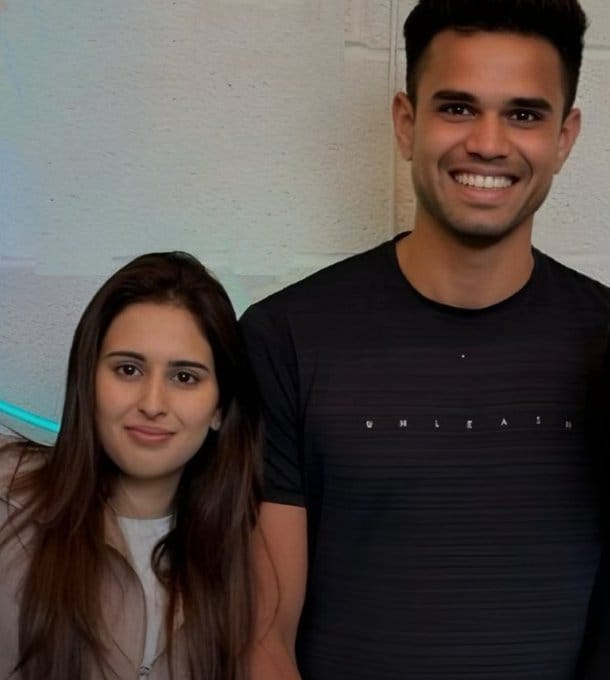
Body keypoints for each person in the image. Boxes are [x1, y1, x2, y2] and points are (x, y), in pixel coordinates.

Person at [241, 1, 610, 678]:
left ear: (565, 137)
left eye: (524, 114)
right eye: (458, 108)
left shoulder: (606, 341)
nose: (489, 143)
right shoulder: (284, 339)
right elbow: (262, 639)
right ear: (407, 123)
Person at [0, 251, 262, 680]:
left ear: (220, 408)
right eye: (128, 369)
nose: (152, 404)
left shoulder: (255, 550)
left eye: (185, 377)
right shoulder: (7, 500)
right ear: (88, 381)